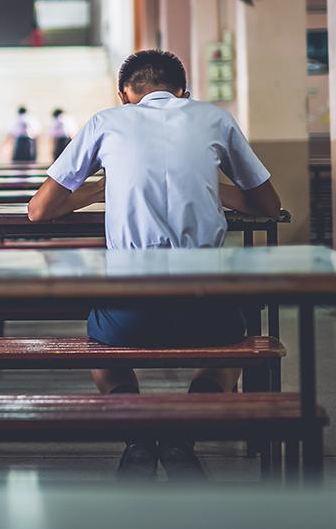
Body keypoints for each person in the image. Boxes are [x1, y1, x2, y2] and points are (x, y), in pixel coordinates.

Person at [25, 49, 281, 482]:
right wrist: (206, 186)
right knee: (232, 350)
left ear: (125, 94)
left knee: (102, 350)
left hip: (131, 306)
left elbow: (39, 210)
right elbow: (269, 206)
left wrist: (96, 192)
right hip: (205, 303)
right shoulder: (214, 119)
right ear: (184, 91)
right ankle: (183, 434)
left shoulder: (105, 122)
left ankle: (138, 435)